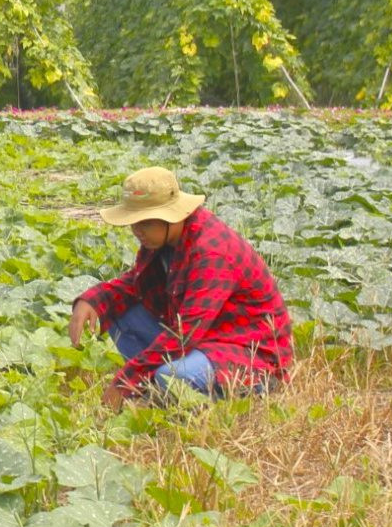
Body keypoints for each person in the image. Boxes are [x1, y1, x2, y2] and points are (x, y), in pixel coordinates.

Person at [68, 166, 292, 409]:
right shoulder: (164, 239)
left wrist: (126, 381)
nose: (136, 231)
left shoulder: (211, 253)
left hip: (248, 357)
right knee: (116, 310)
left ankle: (180, 395)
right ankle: (155, 390)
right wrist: (92, 299)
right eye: (133, 222)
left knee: (172, 376)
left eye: (145, 223)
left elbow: (184, 335)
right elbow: (136, 285)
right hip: (205, 341)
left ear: (172, 216)